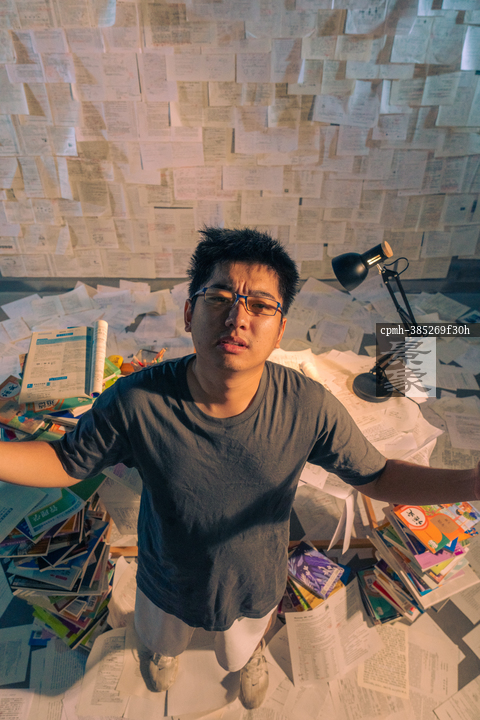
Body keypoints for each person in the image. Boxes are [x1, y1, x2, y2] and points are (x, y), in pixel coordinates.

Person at [1, 227, 479, 710]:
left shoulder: (308, 406)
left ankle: (251, 656)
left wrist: (472, 482)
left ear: (280, 329)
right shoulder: (136, 399)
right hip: (166, 579)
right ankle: (165, 653)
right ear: (189, 313)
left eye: (261, 306)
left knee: (238, 651)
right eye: (219, 298)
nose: (237, 318)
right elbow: (65, 461)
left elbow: (378, 476)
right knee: (160, 640)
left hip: (255, 584)